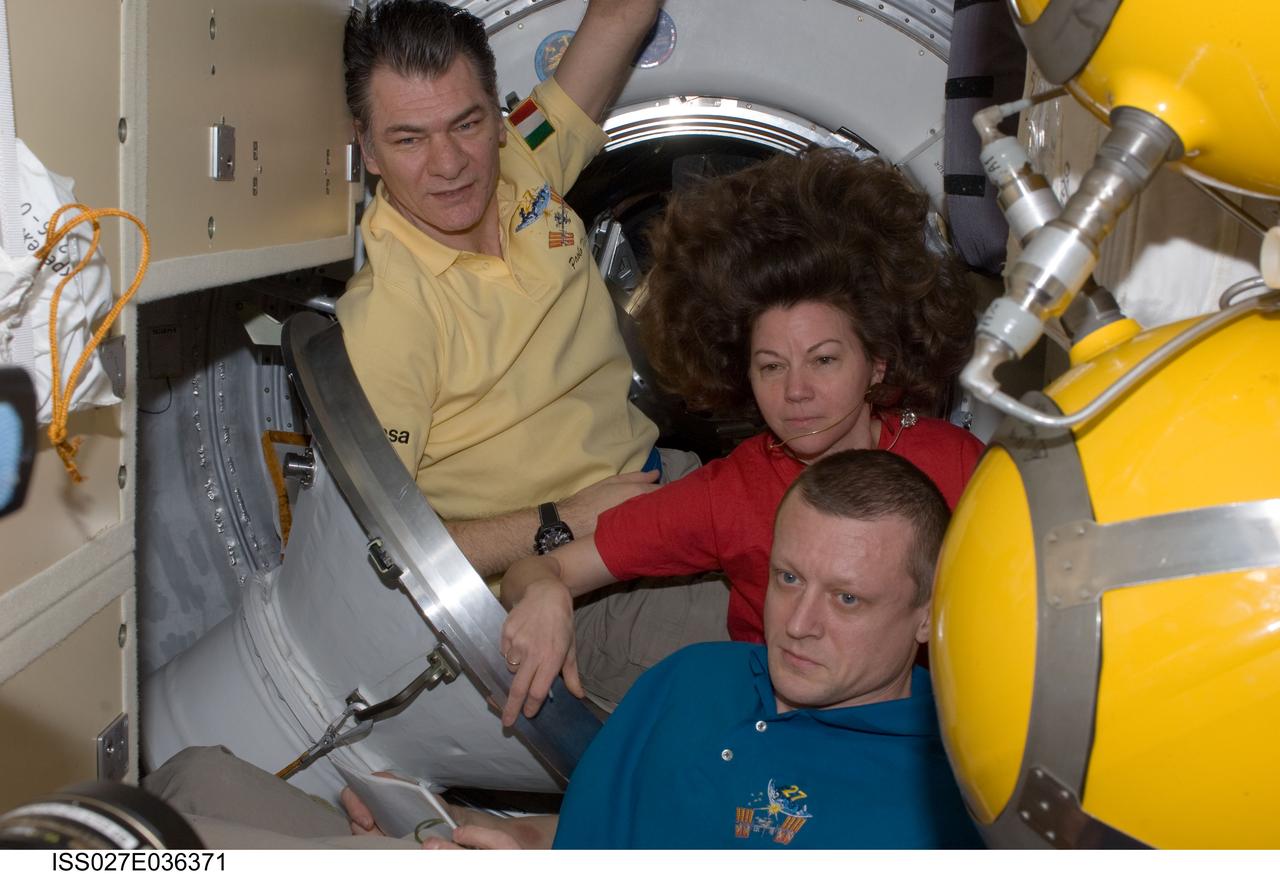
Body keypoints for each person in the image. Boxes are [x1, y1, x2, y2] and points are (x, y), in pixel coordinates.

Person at [146, 450, 983, 849]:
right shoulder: (698, 677)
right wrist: (491, 832)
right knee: (193, 775)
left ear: (928, 617)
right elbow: (609, 825)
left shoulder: (936, 810)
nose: (797, 623)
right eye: (789, 578)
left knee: (131, 847)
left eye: (847, 599)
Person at [498, 149, 984, 721]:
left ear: (876, 364)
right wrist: (545, 594)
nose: (796, 391)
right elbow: (539, 570)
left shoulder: (956, 463)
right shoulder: (731, 491)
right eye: (771, 366)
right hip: (787, 729)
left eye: (824, 360)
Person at [337, 0, 684, 580]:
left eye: (465, 124)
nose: (449, 164)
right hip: (560, 572)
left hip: (655, 477)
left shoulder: (522, 150)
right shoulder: (386, 321)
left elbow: (622, 16)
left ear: (497, 120)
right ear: (368, 149)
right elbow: (376, 550)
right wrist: (565, 520)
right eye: (409, 140)